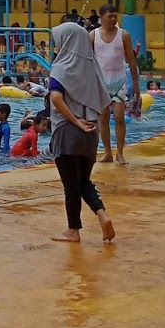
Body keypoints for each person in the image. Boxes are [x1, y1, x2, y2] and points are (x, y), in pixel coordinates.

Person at [47, 22, 116, 243]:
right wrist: (89, 122)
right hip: (90, 132)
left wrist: (75, 120)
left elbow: (56, 98)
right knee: (83, 180)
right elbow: (105, 103)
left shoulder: (61, 67)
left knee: (70, 185)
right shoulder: (92, 69)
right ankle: (102, 214)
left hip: (67, 131)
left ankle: (73, 230)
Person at [90, 5, 141, 165]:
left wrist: (136, 84)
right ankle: (107, 152)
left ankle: (119, 153)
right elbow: (87, 60)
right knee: (103, 118)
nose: (113, 19)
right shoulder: (93, 36)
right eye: (109, 16)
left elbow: (131, 59)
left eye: (115, 16)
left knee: (119, 118)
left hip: (119, 81)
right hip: (101, 82)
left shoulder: (124, 35)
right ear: (101, 17)